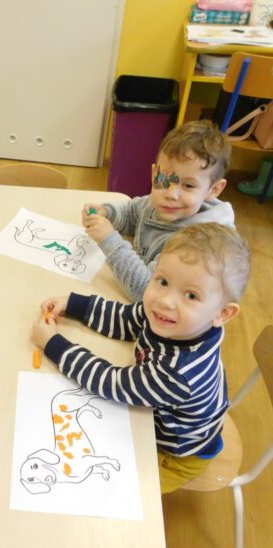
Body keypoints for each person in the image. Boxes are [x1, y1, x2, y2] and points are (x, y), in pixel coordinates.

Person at [31, 223, 250, 494]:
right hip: (160, 414)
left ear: (222, 314)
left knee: (116, 491)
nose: (166, 300)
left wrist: (54, 345)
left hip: (176, 455)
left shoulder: (177, 372)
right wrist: (74, 305)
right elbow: (126, 318)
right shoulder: (176, 320)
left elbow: (111, 383)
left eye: (191, 295)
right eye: (163, 281)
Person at [82, 120, 234, 301]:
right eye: (164, 179)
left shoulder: (197, 245)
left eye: (188, 185)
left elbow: (148, 293)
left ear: (214, 190)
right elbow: (132, 213)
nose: (171, 194)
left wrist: (109, 240)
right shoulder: (161, 202)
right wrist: (107, 213)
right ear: (154, 174)